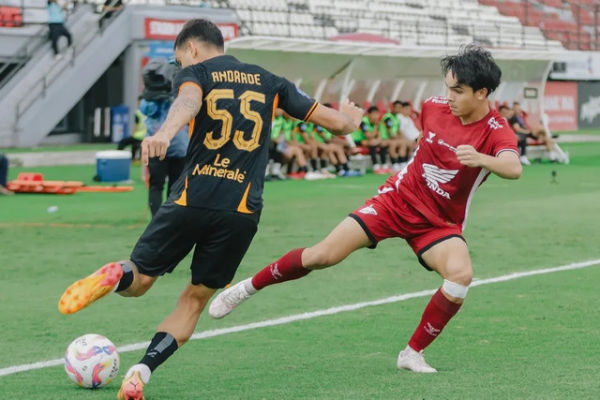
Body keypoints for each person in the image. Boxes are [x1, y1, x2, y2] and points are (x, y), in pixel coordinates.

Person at [57, 18, 363, 400]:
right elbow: (337, 125)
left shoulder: (196, 72)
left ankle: (117, 273)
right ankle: (141, 371)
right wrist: (351, 118)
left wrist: (166, 133)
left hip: (192, 197)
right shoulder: (271, 81)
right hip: (240, 211)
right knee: (194, 300)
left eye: (179, 58)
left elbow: (189, 100)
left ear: (192, 49)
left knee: (139, 282)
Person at [208, 45, 522, 374]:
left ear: (482, 92)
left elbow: (513, 168)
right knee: (322, 256)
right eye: (447, 87)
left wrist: (480, 159)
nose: (449, 96)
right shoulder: (432, 107)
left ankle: (412, 353)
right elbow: (423, 143)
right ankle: (245, 288)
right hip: (395, 201)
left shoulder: (496, 130)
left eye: (458, 91)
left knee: (460, 277)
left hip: (438, 223)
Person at [138, 59, 190, 215]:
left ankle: (158, 219)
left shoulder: (150, 101)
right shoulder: (179, 97)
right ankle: (169, 218)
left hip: (157, 146)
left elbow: (145, 109)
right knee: (174, 186)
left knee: (157, 185)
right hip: (179, 146)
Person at [117, 96, 147, 161]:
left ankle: (118, 157)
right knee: (135, 144)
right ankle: (136, 158)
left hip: (138, 136)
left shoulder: (138, 112)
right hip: (147, 136)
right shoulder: (149, 112)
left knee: (122, 142)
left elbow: (136, 126)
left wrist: (133, 133)